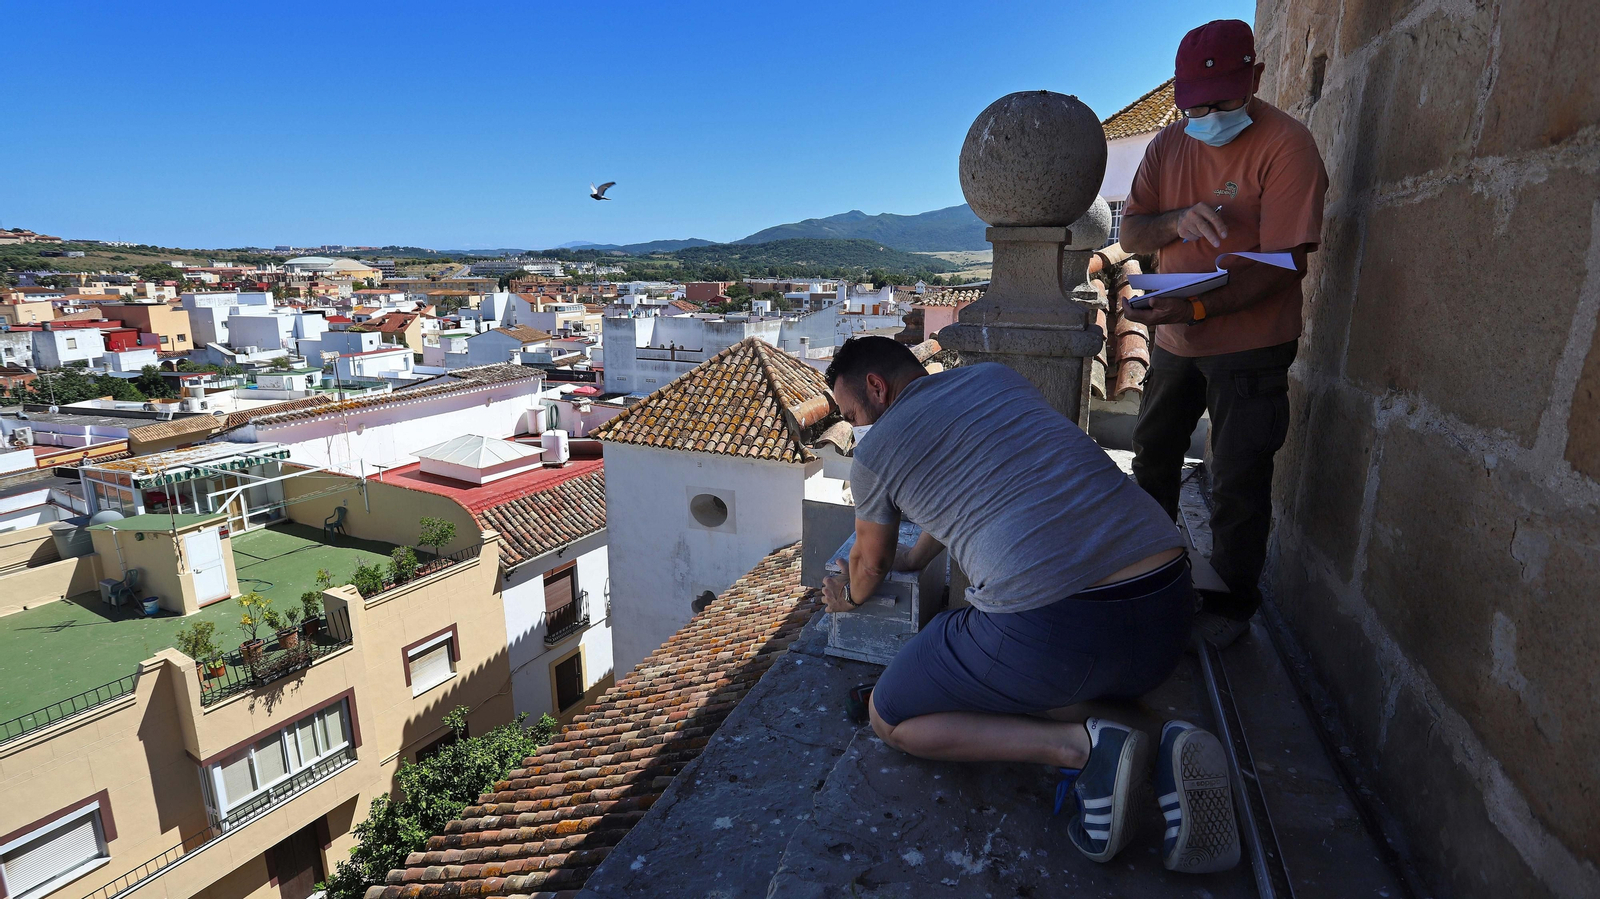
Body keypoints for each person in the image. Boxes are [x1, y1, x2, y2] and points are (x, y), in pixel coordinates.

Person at [821, 336, 1239, 873]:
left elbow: (867, 565)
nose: (856, 425)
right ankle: (1165, 739)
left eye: (853, 412)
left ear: (876, 388)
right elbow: (982, 487)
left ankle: (1082, 751)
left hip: (1059, 633)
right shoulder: (993, 379)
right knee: (1021, 672)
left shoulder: (875, 453)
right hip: (1167, 613)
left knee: (890, 715)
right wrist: (917, 557)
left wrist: (846, 598)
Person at [1120, 19, 1329, 648]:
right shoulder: (1167, 145)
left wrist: (1199, 311)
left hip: (1250, 343)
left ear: (1256, 80)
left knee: (1237, 474)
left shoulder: (1288, 146)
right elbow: (1132, 235)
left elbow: (1286, 261)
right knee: (1152, 452)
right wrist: (1177, 223)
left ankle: (1232, 608)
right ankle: (1150, 576)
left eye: (1223, 102)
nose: (1207, 116)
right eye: (1195, 105)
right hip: (1175, 336)